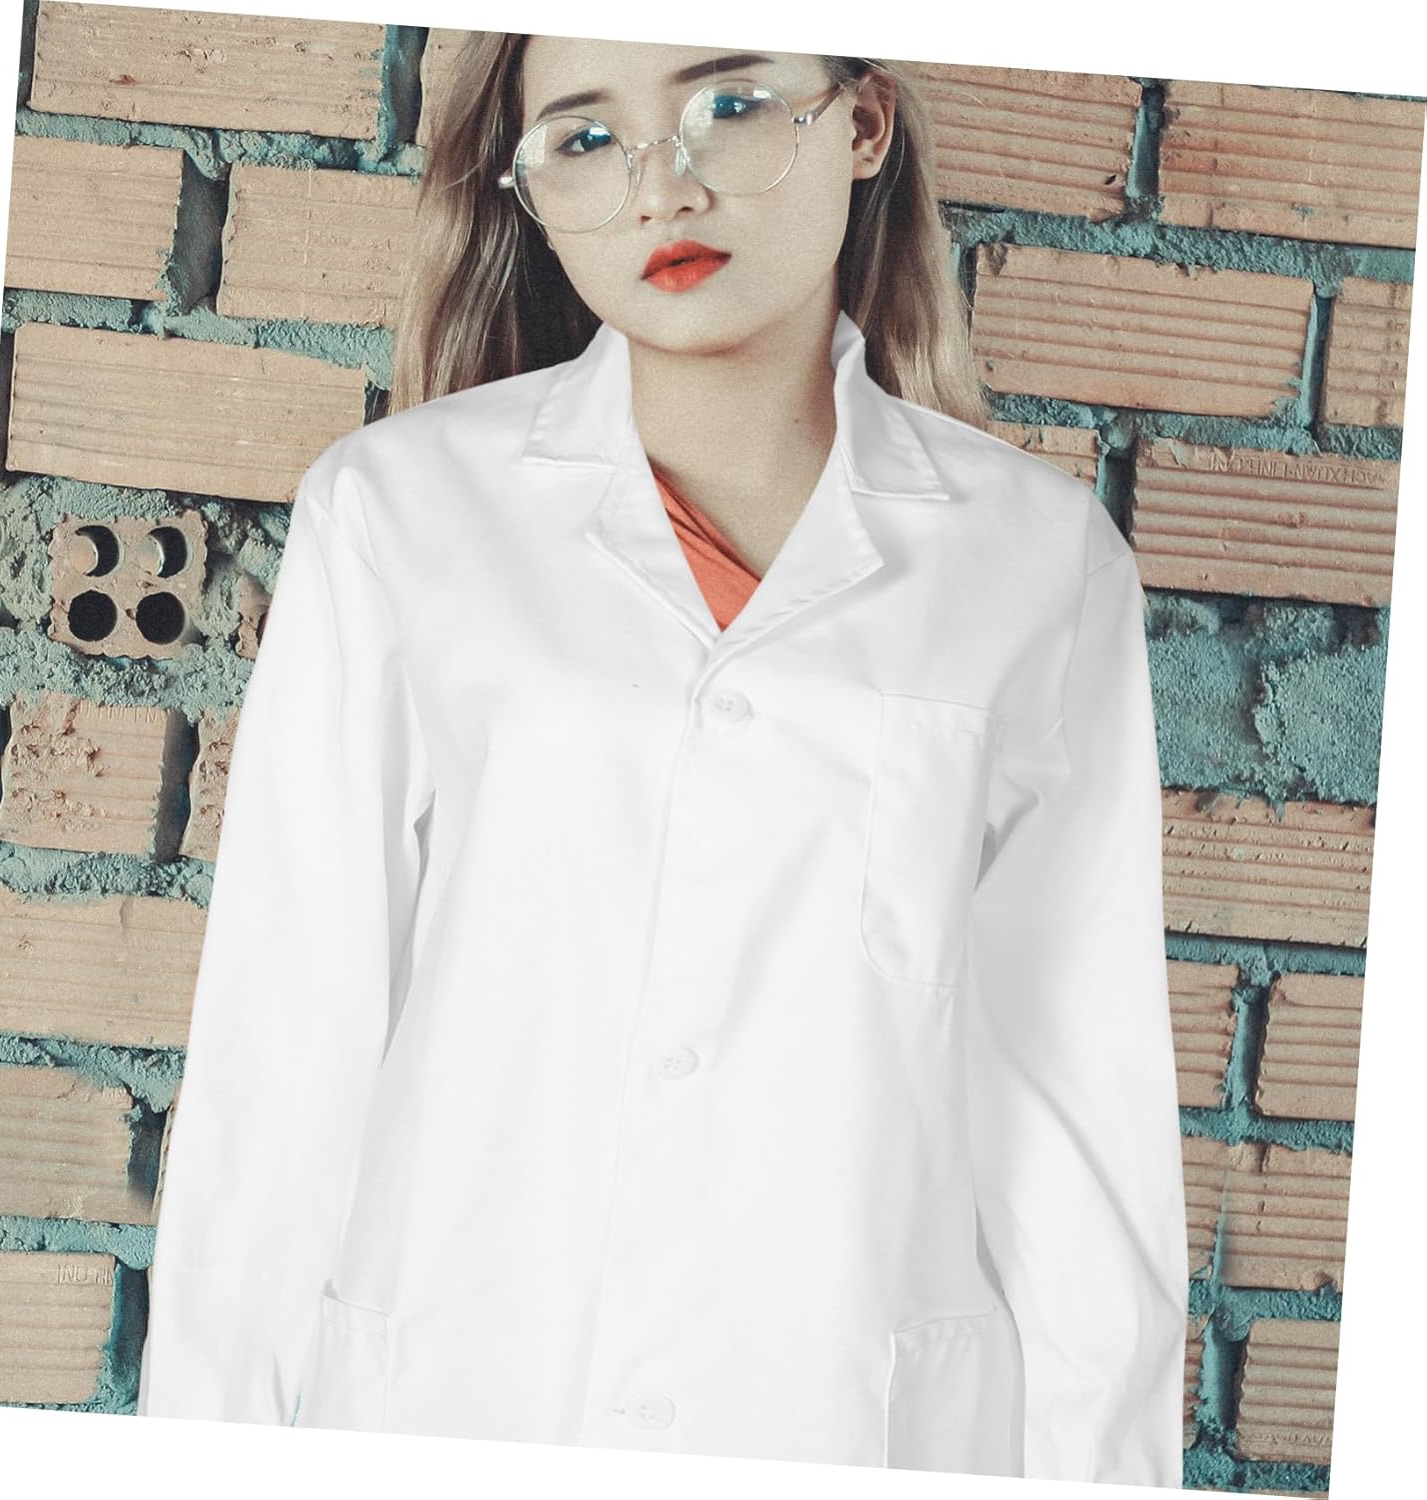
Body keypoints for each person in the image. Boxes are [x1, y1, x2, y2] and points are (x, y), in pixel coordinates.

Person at [136, 32, 1190, 1487]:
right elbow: (286, 1045)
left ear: (865, 126)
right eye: (585, 137)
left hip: (847, 1412)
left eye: (732, 105)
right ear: (528, 188)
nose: (662, 188)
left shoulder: (1036, 563)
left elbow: (1076, 1111)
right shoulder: (398, 514)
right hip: (464, 1382)